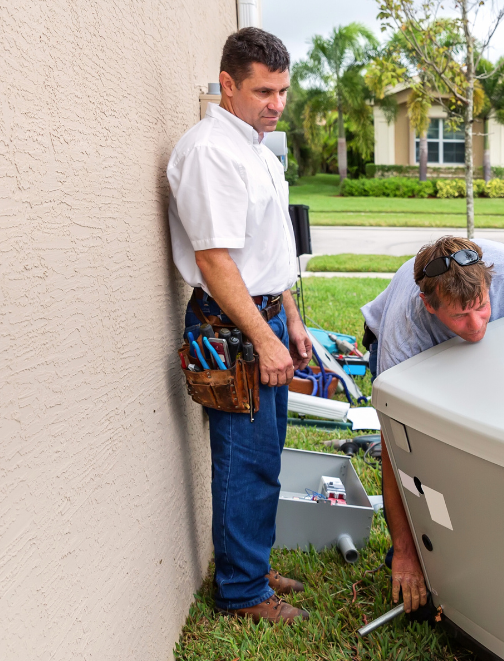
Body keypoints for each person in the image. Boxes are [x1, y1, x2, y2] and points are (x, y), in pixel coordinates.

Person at [167, 28, 314, 623]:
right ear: (227, 85)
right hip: (232, 324)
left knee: (266, 455)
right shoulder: (210, 153)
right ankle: (241, 592)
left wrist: (292, 321)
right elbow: (215, 261)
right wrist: (262, 335)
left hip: (265, 316)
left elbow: (267, 250)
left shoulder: (255, 146)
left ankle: (249, 563)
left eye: (282, 90)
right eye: (262, 91)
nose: (276, 103)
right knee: (243, 458)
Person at [360, 237, 504, 611]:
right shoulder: (405, 331)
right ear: (428, 305)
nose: (475, 326)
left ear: (491, 286)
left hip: (501, 347)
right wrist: (406, 554)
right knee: (428, 453)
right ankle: (419, 555)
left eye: (482, 307)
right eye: (459, 315)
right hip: (417, 357)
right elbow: (394, 448)